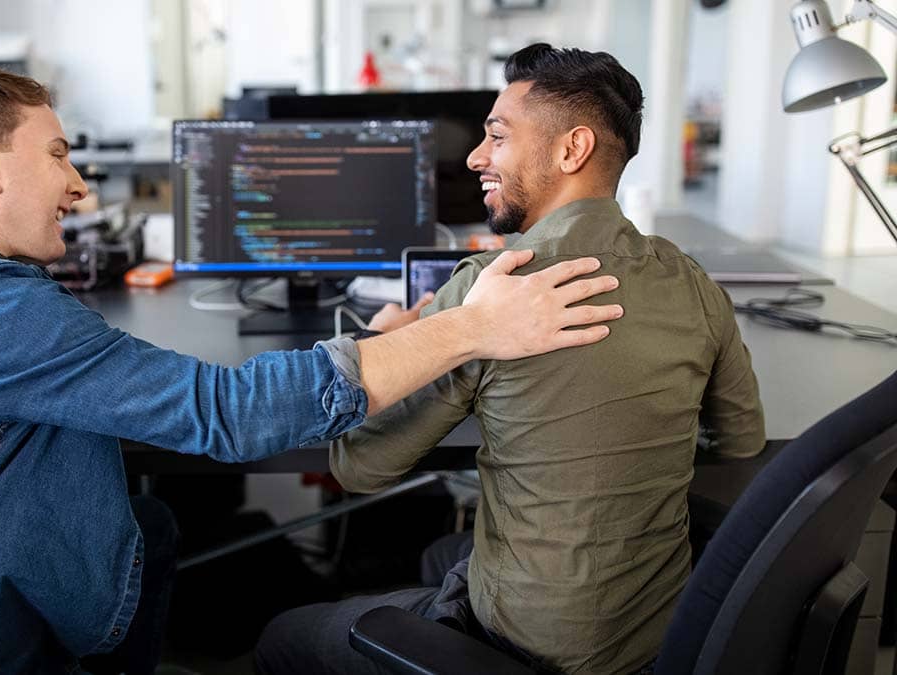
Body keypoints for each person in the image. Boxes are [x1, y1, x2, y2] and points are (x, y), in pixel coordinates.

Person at [0, 65, 625, 674]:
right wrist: (470, 328)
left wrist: (382, 341)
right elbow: (224, 413)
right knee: (157, 526)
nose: (80, 186)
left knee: (154, 526)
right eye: (57, 154)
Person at [255, 43, 765, 675]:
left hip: (528, 642)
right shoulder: (692, 282)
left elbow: (361, 465)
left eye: (496, 136)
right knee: (448, 553)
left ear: (570, 150)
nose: (474, 156)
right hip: (655, 635)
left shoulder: (493, 284)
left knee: (281, 638)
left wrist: (378, 344)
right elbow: (741, 440)